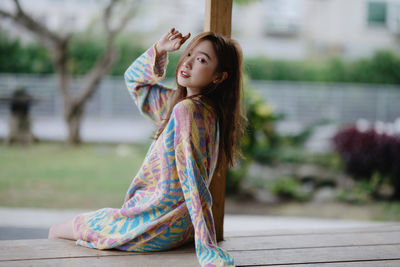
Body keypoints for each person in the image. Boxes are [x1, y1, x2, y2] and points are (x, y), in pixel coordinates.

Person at [48, 28, 246, 267]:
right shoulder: (201, 109)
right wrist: (160, 49)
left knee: (56, 231)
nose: (188, 62)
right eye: (189, 54)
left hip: (155, 222)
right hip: (178, 225)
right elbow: (135, 82)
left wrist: (208, 248)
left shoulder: (187, 111)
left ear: (219, 76)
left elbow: (193, 182)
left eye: (202, 60)